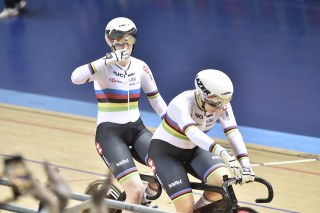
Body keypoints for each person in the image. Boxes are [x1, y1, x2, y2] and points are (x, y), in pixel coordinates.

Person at [71, 17, 167, 212]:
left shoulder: (140, 67)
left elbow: (156, 100)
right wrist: (106, 60)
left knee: (169, 167)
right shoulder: (102, 67)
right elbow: (75, 78)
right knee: (135, 189)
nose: (124, 44)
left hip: (138, 131)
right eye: (119, 39)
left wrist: (175, 128)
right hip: (110, 135)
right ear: (110, 41)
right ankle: (138, 199)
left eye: (129, 39)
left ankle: (143, 202)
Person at [148, 69, 255, 213]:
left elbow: (233, 133)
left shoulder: (221, 103)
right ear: (202, 96)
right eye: (215, 104)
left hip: (193, 150)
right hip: (165, 154)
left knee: (222, 181)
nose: (219, 108)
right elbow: (192, 133)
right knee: (185, 209)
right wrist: (222, 152)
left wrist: (245, 164)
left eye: (222, 104)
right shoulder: (182, 102)